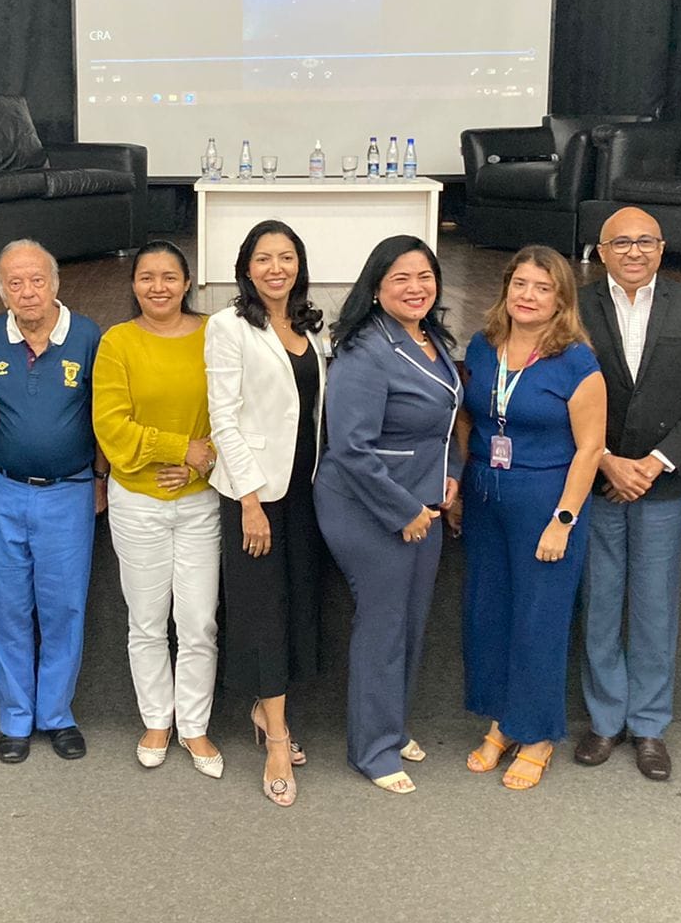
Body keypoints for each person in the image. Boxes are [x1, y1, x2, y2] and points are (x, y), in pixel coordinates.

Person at [573, 208, 681, 780]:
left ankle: (648, 725)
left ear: (661, 248)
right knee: (600, 604)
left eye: (645, 241)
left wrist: (654, 464)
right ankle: (605, 719)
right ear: (601, 252)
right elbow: (558, 390)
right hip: (596, 479)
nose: (634, 251)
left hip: (663, 484)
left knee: (654, 607)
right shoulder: (576, 306)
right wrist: (606, 461)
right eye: (621, 243)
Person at [314, 235, 461, 795]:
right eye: (401, 278)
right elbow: (350, 448)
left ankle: (393, 727)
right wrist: (403, 511)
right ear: (376, 289)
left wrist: (451, 476)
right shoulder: (364, 350)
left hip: (423, 501)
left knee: (412, 621)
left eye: (425, 276)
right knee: (383, 625)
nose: (416, 288)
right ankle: (372, 750)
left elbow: (443, 421)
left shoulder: (429, 337)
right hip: (366, 505)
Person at [460, 244, 605, 791]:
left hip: (546, 502)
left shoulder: (577, 362)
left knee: (538, 620)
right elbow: (469, 419)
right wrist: (458, 489)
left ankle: (538, 734)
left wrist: (563, 519)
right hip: (484, 497)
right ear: (505, 289)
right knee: (490, 614)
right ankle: (504, 721)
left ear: (561, 300)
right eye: (520, 284)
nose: (528, 296)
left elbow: (590, 448)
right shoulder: (483, 345)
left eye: (543, 288)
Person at [205, 221, 327, 807]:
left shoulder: (308, 324)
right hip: (255, 496)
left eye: (286, 257)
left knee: (296, 604)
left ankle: (265, 709)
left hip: (304, 488)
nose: (276, 268)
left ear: (298, 265)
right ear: (246, 268)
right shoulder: (228, 326)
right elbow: (223, 417)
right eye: (263, 258)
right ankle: (276, 738)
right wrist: (250, 501)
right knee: (264, 614)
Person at [92, 240, 224, 778]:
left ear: (187, 282)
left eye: (170, 276)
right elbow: (111, 425)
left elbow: (234, 411)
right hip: (137, 502)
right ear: (133, 284)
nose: (158, 286)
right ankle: (156, 720)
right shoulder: (117, 342)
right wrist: (178, 448)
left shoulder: (216, 333)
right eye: (147, 277)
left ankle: (194, 725)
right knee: (146, 622)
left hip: (201, 500)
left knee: (198, 622)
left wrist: (200, 463)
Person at [0, 240, 104, 764]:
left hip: (69, 491)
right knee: (4, 606)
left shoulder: (89, 336)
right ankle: (15, 718)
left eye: (36, 280)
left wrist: (101, 478)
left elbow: (103, 412)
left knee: (63, 606)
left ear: (55, 284)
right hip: (0, 488)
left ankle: (56, 714)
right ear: (2, 292)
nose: (27, 292)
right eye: (15, 283)